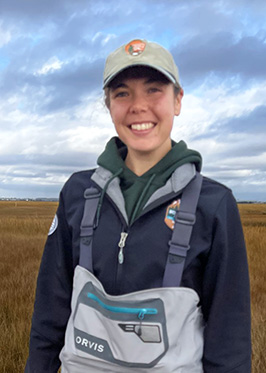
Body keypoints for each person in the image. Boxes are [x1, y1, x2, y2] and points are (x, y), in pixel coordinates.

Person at [25, 39, 251, 372]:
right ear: (108, 104)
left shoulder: (215, 204)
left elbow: (229, 342)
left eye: (154, 90)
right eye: (122, 93)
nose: (138, 106)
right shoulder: (77, 193)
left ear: (178, 100)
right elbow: (49, 316)